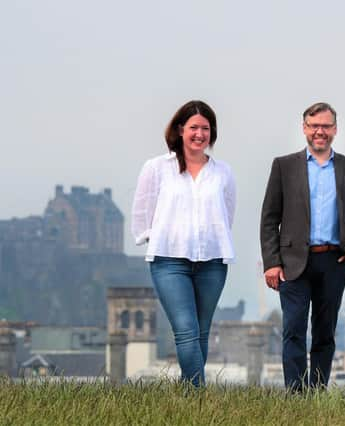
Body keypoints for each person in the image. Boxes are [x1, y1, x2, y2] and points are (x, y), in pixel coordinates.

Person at [260, 102, 345, 391]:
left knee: (325, 332)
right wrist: (271, 262)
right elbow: (269, 218)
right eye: (314, 126)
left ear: (335, 129)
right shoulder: (284, 166)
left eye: (325, 126)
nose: (319, 132)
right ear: (304, 129)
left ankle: (317, 391)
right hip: (292, 262)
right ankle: (296, 396)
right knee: (294, 330)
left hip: (334, 262)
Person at [131, 100, 235, 387]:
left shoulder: (223, 172)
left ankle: (190, 395)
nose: (199, 134)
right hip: (168, 261)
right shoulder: (157, 168)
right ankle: (198, 396)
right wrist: (158, 236)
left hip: (213, 263)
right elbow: (142, 210)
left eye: (205, 128)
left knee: (201, 332)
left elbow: (227, 214)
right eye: (193, 128)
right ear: (180, 130)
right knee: (186, 331)